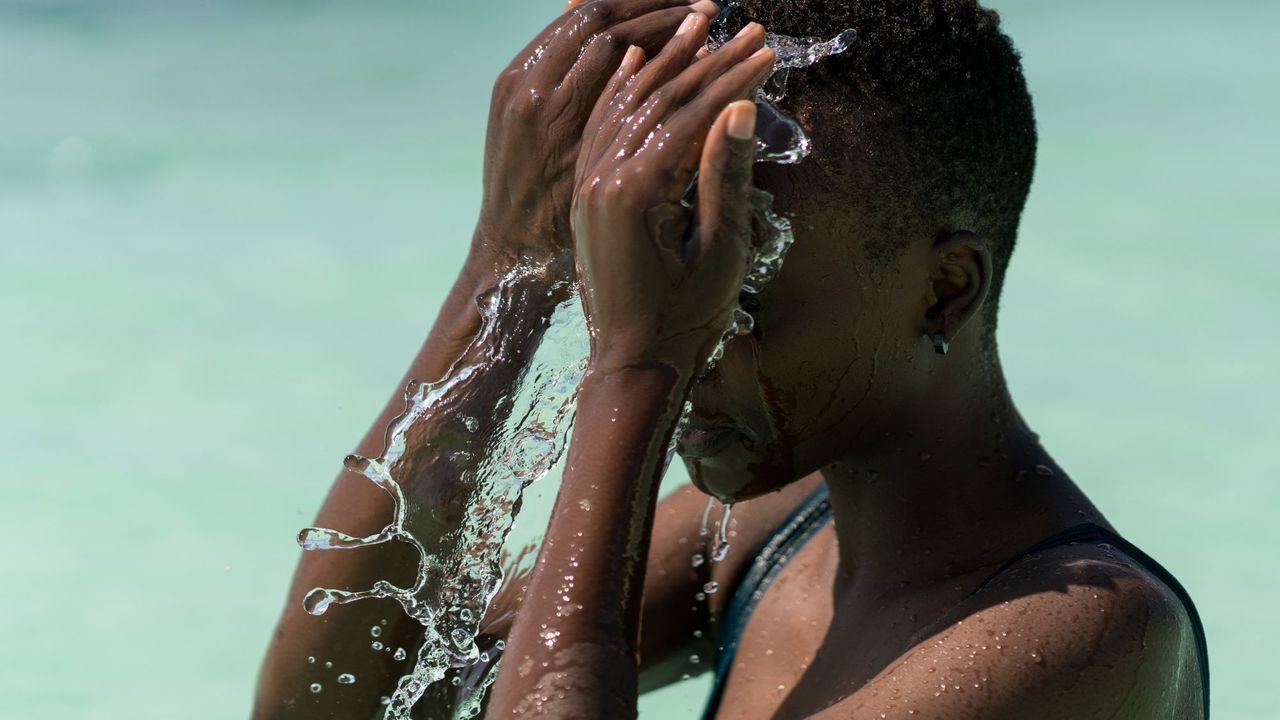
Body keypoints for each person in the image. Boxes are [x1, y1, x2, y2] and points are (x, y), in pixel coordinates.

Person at [255, 0, 1209, 718]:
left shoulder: (1085, 632)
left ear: (945, 289)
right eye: (657, 286)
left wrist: (639, 364)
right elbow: (333, 707)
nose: (692, 352)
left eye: (734, 299)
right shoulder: (774, 533)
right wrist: (508, 262)